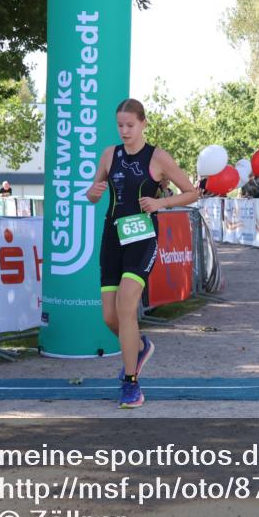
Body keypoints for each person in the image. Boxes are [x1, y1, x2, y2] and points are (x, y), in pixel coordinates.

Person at [86, 98, 199, 408]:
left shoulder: (158, 157)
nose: (124, 131)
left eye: (130, 125)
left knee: (126, 305)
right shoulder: (110, 155)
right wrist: (92, 193)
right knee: (109, 316)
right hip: (112, 236)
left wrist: (161, 203)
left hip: (142, 236)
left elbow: (192, 192)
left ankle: (131, 383)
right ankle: (139, 347)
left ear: (143, 123)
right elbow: (94, 192)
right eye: (120, 125)